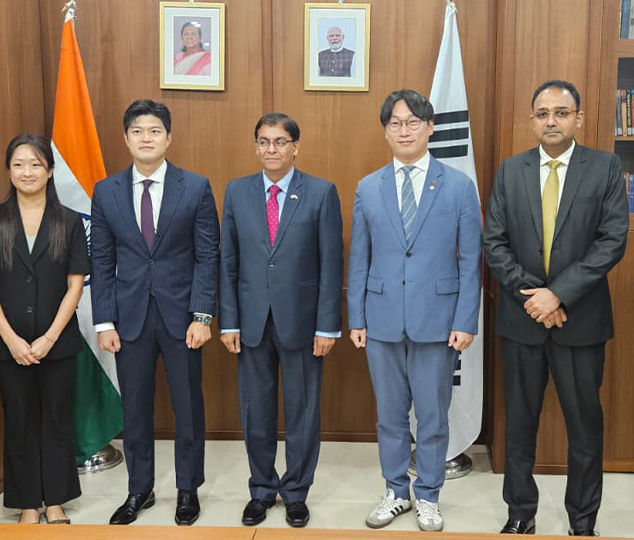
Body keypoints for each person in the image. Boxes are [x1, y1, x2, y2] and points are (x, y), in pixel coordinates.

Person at [482, 80, 628, 536]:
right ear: (532, 120)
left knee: (585, 431)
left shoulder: (604, 167)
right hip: (522, 321)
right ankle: (520, 513)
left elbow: (612, 240)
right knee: (519, 426)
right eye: (543, 113)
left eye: (561, 113)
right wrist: (536, 297)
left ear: (578, 119)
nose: (551, 120)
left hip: (580, 323)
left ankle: (582, 523)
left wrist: (558, 294)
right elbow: (495, 242)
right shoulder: (511, 170)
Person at [348, 89, 481, 533]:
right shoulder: (369, 187)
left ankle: (427, 495)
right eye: (394, 123)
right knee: (388, 415)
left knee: (431, 415)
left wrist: (465, 320)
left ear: (429, 127)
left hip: (438, 321)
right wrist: (357, 318)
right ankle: (394, 491)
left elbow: (469, 261)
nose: (403, 130)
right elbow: (359, 259)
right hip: (381, 319)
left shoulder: (459, 186)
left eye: (412, 122)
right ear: (386, 131)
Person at [90, 99, 219, 526]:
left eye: (154, 131)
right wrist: (104, 321)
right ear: (126, 138)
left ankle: (187, 489)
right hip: (128, 319)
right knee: (136, 411)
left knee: (188, 406)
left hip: (182, 317)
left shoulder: (196, 187)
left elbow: (207, 256)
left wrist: (202, 316)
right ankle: (138, 490)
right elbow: (101, 260)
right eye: (138, 132)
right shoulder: (106, 191)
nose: (146, 139)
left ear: (168, 137)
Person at [219, 112, 343, 528]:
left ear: (295, 148)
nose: (271, 149)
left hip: (304, 324)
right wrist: (228, 321)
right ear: (255, 146)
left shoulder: (322, 193)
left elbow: (331, 264)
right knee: (255, 410)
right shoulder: (236, 193)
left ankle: (295, 492)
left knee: (303, 411)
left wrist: (328, 325)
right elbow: (228, 262)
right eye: (264, 141)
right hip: (251, 322)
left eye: (280, 142)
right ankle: (261, 489)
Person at [0, 134, 88, 525]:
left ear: (50, 170)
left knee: (56, 419)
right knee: (19, 420)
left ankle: (55, 500)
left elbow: (75, 285)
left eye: (36, 164)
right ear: (8, 170)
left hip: (58, 340)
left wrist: (49, 337)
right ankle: (26, 504)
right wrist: (12, 339)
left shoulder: (69, 221)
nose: (27, 172)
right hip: (8, 344)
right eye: (19, 164)